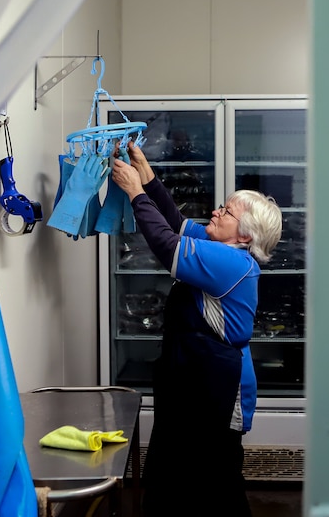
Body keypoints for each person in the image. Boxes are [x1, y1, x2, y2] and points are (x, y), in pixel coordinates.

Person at [111, 140, 283, 517]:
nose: (215, 211)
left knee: (213, 481)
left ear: (245, 236)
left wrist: (135, 192)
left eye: (226, 211)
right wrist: (148, 175)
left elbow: (164, 242)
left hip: (214, 388)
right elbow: (175, 222)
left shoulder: (233, 263)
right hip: (192, 378)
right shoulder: (218, 245)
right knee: (177, 474)